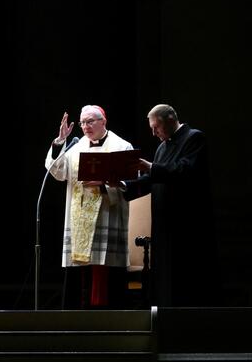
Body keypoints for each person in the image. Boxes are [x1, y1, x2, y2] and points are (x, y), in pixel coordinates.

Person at [123, 104, 216, 307]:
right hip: (163, 225)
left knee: (185, 281)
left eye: (157, 127)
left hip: (186, 224)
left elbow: (185, 170)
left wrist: (152, 167)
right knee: (165, 280)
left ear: (171, 119)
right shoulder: (162, 147)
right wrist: (122, 186)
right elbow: (151, 180)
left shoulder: (194, 138)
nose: (154, 133)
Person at [46, 105, 134, 309]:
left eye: (90, 121)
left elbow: (131, 184)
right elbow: (57, 172)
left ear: (103, 121)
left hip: (106, 215)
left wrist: (103, 184)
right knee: (80, 275)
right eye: (83, 122)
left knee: (106, 270)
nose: (85, 126)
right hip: (79, 222)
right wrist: (60, 141)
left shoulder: (122, 146)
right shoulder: (75, 147)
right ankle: (76, 320)